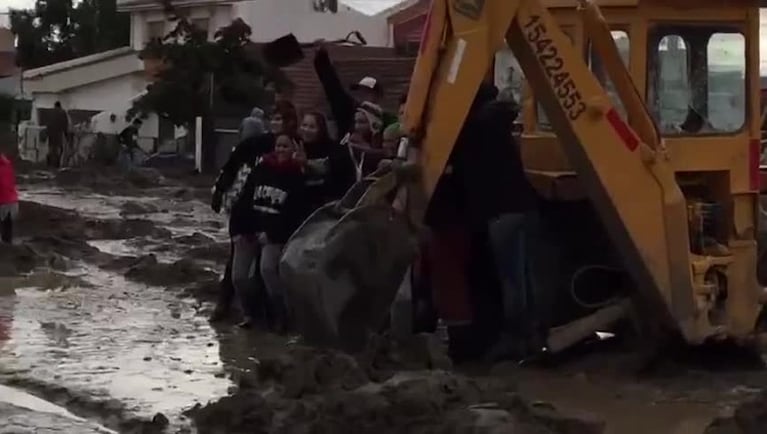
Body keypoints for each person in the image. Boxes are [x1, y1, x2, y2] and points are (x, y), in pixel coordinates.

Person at [209, 101, 299, 322]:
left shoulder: (298, 148)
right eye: (275, 119)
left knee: (266, 267)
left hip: (279, 217)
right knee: (237, 263)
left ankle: (270, 314)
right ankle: (227, 304)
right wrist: (220, 192)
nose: (278, 124)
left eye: (283, 120)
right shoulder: (255, 144)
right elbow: (232, 167)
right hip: (250, 211)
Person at [229, 133, 306, 331]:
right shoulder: (260, 169)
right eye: (278, 146)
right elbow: (243, 201)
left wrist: (271, 233)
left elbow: (294, 213)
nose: (281, 150)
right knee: (239, 276)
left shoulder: (297, 176)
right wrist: (237, 231)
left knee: (268, 269)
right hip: (249, 231)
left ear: (294, 150)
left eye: (286, 147)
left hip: (276, 234)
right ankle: (250, 314)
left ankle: (281, 315)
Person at [312, 42, 397, 140]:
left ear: (379, 96)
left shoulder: (388, 121)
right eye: (359, 91)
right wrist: (321, 60)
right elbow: (333, 88)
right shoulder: (348, 110)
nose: (362, 95)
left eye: (367, 92)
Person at [296, 111, 355, 212]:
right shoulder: (296, 146)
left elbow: (334, 169)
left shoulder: (334, 149)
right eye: (304, 125)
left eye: (312, 127)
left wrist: (307, 163)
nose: (306, 130)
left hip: (327, 202)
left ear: (321, 129)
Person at [341, 101, 391, 180]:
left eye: (362, 122)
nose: (357, 126)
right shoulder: (351, 139)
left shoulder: (385, 139)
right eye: (356, 122)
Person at [0, 153, 18, 244]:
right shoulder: (8, 166)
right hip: (12, 200)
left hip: (3, 201)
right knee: (8, 226)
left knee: (4, 225)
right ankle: (7, 245)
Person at [46, 101, 69, 168]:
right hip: (58, 132)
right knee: (59, 148)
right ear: (60, 106)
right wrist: (66, 134)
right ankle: (57, 163)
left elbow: (48, 123)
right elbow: (65, 124)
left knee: (51, 148)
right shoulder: (63, 112)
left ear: (55, 105)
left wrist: (47, 132)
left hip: (51, 133)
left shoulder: (51, 112)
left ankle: (49, 163)